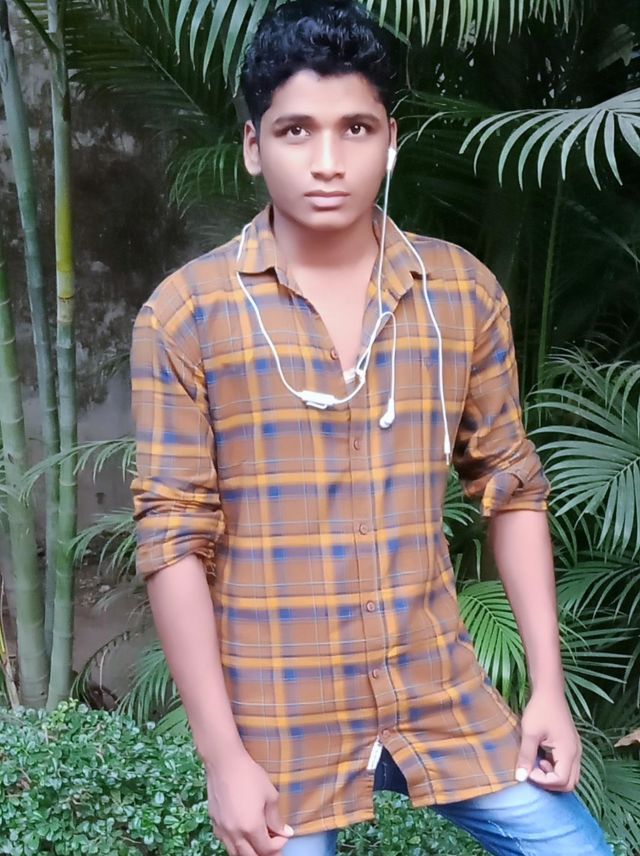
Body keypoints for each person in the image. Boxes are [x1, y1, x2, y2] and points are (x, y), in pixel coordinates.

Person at [130, 2, 613, 855]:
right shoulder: (186, 315)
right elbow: (172, 537)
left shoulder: (460, 292)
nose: (327, 161)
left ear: (390, 140)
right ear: (253, 146)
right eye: (296, 131)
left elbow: (511, 486)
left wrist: (548, 689)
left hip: (437, 687)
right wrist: (222, 757)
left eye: (355, 128)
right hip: (279, 716)